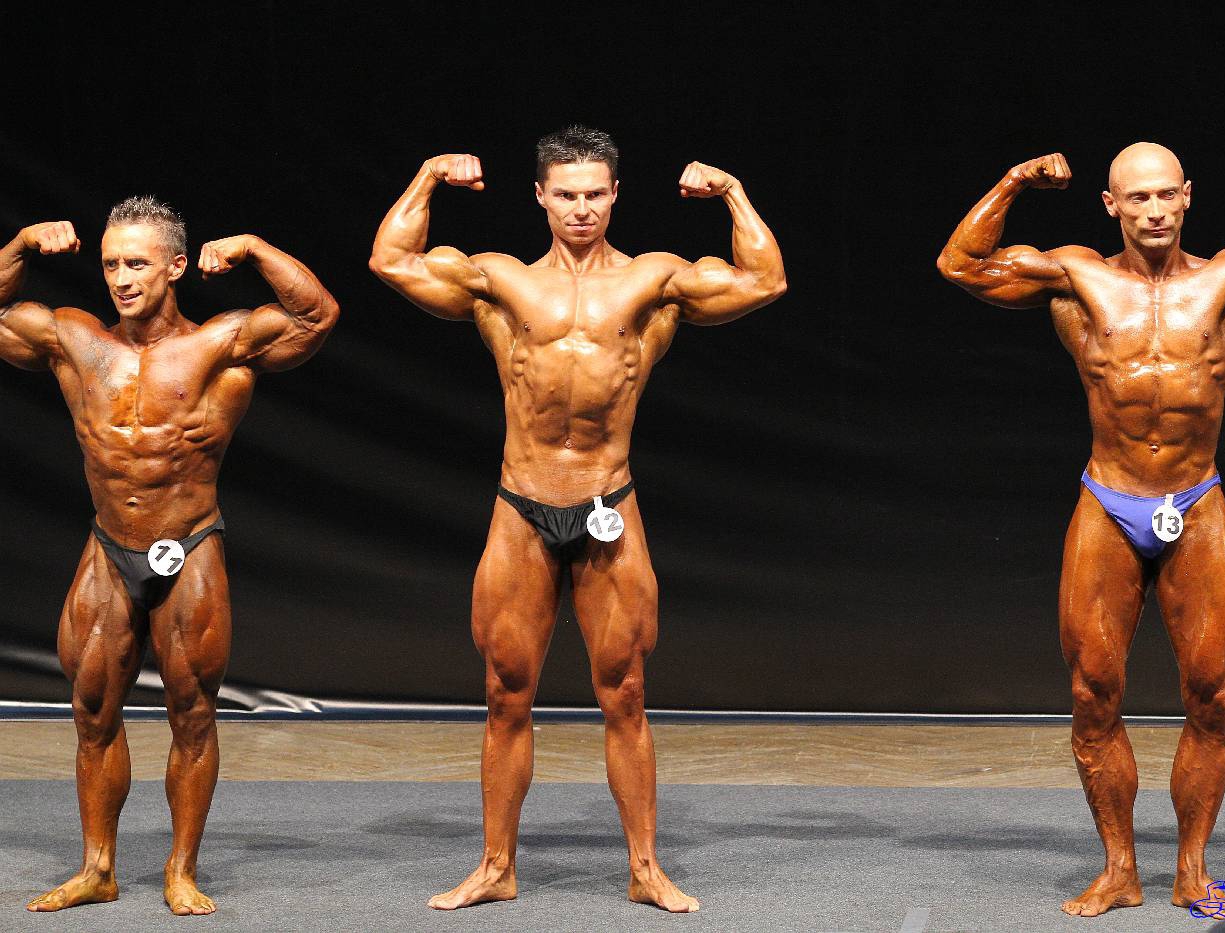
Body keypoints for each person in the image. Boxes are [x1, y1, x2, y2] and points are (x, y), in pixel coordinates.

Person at [937, 144, 1225, 916]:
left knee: (1214, 694)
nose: (1156, 210)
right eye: (1138, 198)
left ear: (1189, 195)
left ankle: (1193, 869)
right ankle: (1119, 868)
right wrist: (1014, 180)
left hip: (1195, 503)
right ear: (1111, 205)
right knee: (1091, 693)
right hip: (1109, 500)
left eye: (1168, 194)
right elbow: (961, 264)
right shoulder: (1079, 277)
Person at [369, 125, 786, 912]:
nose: (582, 208)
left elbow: (764, 280)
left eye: (595, 193)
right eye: (566, 194)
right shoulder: (498, 281)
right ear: (540, 196)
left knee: (624, 692)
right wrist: (427, 175)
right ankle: (496, 865)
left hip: (607, 503)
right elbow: (392, 260)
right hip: (520, 507)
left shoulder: (654, 280)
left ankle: (645, 867)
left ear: (616, 194)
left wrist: (732, 192)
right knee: (505, 693)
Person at [1, 198, 340, 915]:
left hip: (189, 545)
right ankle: (97, 867)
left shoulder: (221, 344)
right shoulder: (74, 339)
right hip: (108, 547)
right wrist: (22, 244)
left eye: (137, 263)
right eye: (111, 264)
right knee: (92, 711)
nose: (121, 279)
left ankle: (182, 869)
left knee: (192, 713)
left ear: (176, 266)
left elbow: (315, 317)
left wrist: (255, 246)